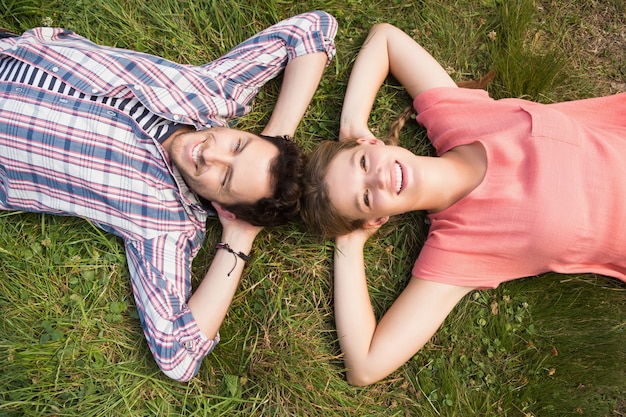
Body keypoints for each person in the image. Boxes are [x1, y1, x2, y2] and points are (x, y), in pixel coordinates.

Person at [0, 10, 337, 382]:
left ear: (223, 206)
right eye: (237, 146)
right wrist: (278, 140)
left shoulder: (165, 224)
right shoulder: (216, 93)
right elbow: (312, 28)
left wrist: (239, 236)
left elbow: (178, 355)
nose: (210, 154)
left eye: (224, 178)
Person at [301, 23, 626, 386]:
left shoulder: (456, 117)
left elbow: (386, 39)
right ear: (376, 219)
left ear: (374, 144)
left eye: (361, 163)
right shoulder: (458, 252)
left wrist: (352, 124)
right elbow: (364, 366)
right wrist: (350, 241)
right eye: (364, 197)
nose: (376, 178)